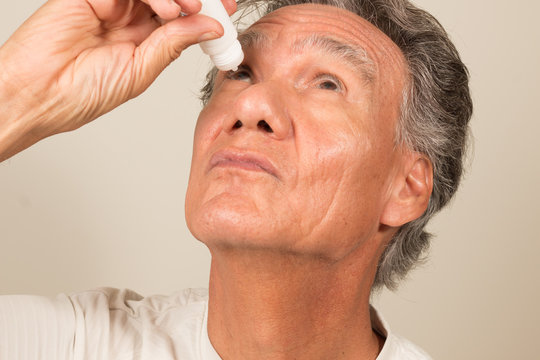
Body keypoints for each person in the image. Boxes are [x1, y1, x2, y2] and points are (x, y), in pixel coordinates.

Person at [0, 0, 472, 358]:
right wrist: (18, 93)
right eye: (241, 72)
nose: (250, 106)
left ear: (406, 187)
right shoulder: (74, 344)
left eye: (328, 83)